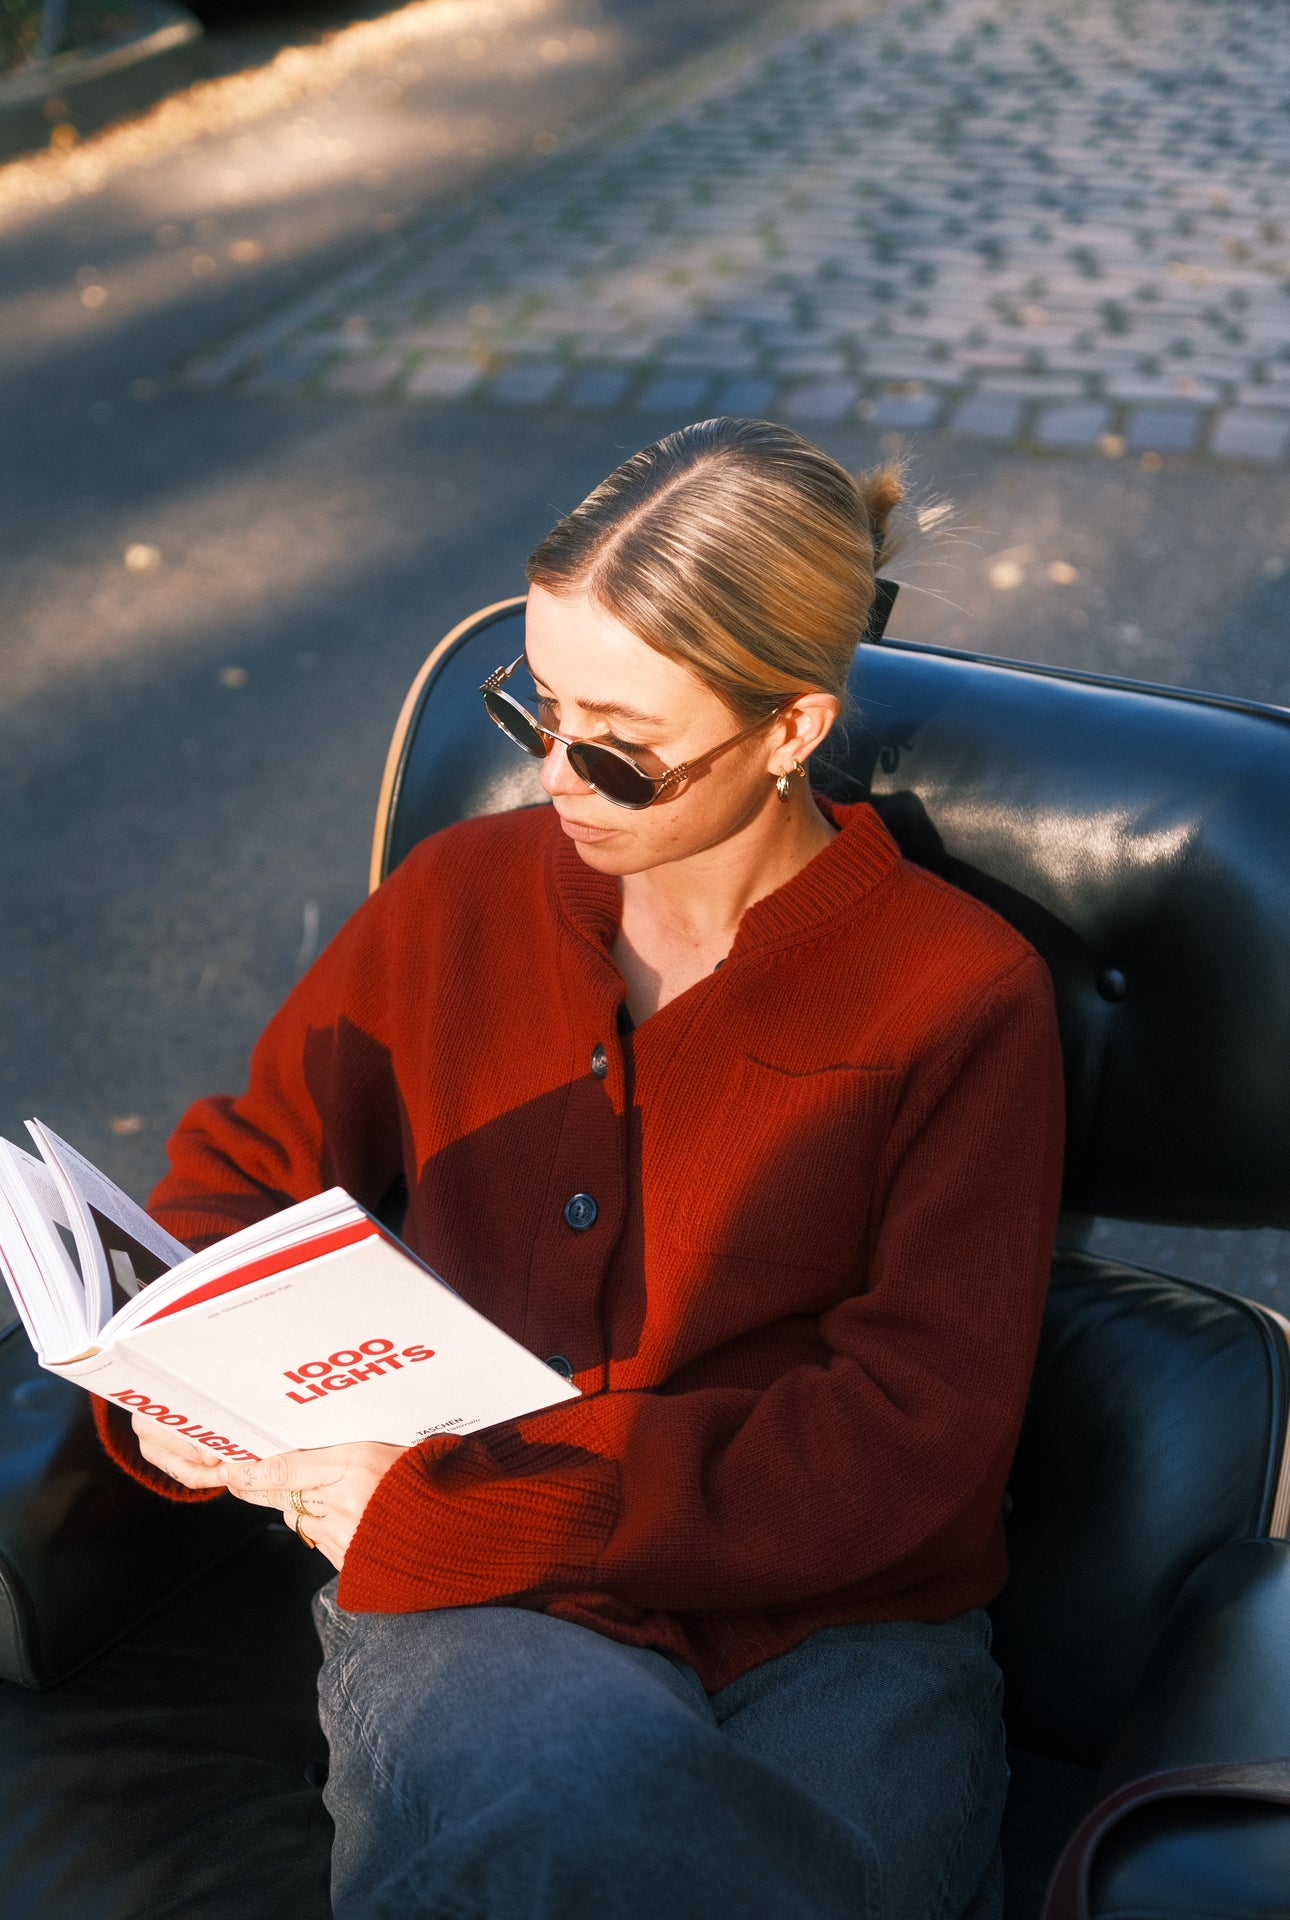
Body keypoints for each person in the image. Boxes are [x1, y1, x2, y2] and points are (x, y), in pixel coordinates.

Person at [94, 418, 1066, 1920]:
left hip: (837, 1627)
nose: (556, 772)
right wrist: (180, 1376)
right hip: (474, 1590)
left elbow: (911, 1440)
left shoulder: (957, 996)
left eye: (615, 739)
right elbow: (241, 1167)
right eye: (534, 707)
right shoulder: (457, 900)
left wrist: (493, 1502)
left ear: (792, 729)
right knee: (561, 1793)